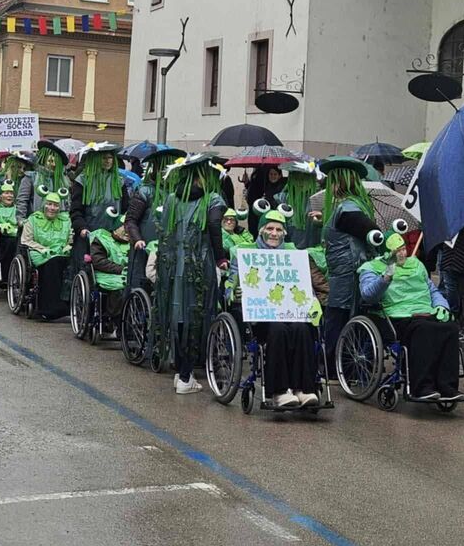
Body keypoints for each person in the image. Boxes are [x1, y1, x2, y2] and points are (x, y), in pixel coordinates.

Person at [227, 208, 319, 408]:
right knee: (278, 329)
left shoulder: (294, 254)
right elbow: (230, 282)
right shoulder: (245, 253)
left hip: (292, 312)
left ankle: (303, 389)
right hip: (262, 316)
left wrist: (313, 299)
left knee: (303, 330)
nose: (274, 233)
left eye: (278, 229)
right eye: (270, 228)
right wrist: (233, 292)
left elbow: (304, 283)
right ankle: (279, 391)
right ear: (261, 230)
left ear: (284, 233)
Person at [154, 154, 227, 394]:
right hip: (199, 265)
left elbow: (165, 233)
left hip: (173, 266)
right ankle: (186, 377)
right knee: (196, 317)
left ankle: (180, 373)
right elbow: (214, 226)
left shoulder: (172, 198)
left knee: (178, 316)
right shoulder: (212, 199)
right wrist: (221, 258)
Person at [359, 231, 461, 401]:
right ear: (386, 252)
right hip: (396, 316)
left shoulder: (416, 264)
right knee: (423, 329)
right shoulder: (371, 267)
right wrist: (385, 278)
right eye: (396, 251)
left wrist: (442, 306)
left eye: (403, 249)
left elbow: (432, 290)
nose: (402, 253)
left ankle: (447, 386)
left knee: (450, 327)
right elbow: (368, 295)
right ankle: (422, 387)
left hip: (425, 311)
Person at [320, 156, 377, 373]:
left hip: (347, 275)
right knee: (342, 317)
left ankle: (337, 368)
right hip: (343, 272)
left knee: (338, 318)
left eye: (332, 182)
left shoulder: (348, 209)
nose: (329, 187)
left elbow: (371, 233)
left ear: (340, 182)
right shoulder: (353, 207)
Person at [124, 147, 184, 287]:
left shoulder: (179, 194)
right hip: (145, 248)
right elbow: (130, 220)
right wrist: (137, 239)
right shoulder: (145, 191)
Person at [21, 192, 73, 320]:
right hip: (40, 252)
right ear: (44, 205)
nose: (52, 208)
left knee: (71, 264)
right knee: (53, 264)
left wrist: (67, 246)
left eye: (55, 205)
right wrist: (42, 249)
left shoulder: (66, 220)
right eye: (49, 204)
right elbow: (26, 240)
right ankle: (50, 308)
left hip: (61, 252)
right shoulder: (33, 219)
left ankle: (68, 303)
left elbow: (71, 239)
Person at [89, 213, 131, 329]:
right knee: (120, 287)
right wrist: (120, 269)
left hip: (128, 274)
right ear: (116, 228)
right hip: (106, 274)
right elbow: (98, 261)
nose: (128, 231)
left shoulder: (134, 243)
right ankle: (114, 319)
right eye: (125, 227)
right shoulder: (102, 240)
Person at [16, 141, 69, 226]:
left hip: (56, 226)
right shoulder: (31, 177)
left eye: (56, 162)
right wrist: (21, 220)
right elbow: (22, 200)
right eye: (50, 161)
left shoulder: (62, 181)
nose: (53, 164)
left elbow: (66, 204)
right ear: (44, 160)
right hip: (34, 224)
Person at [276, 161, 323, 249]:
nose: (301, 182)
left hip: (314, 249)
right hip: (289, 249)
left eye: (305, 178)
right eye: (297, 178)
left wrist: (321, 220)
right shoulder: (282, 198)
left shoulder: (320, 198)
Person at [246, 166, 285, 238]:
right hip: (265, 218)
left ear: (279, 176)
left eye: (275, 174)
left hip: (277, 218)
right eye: (271, 174)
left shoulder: (283, 188)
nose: (273, 176)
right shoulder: (266, 186)